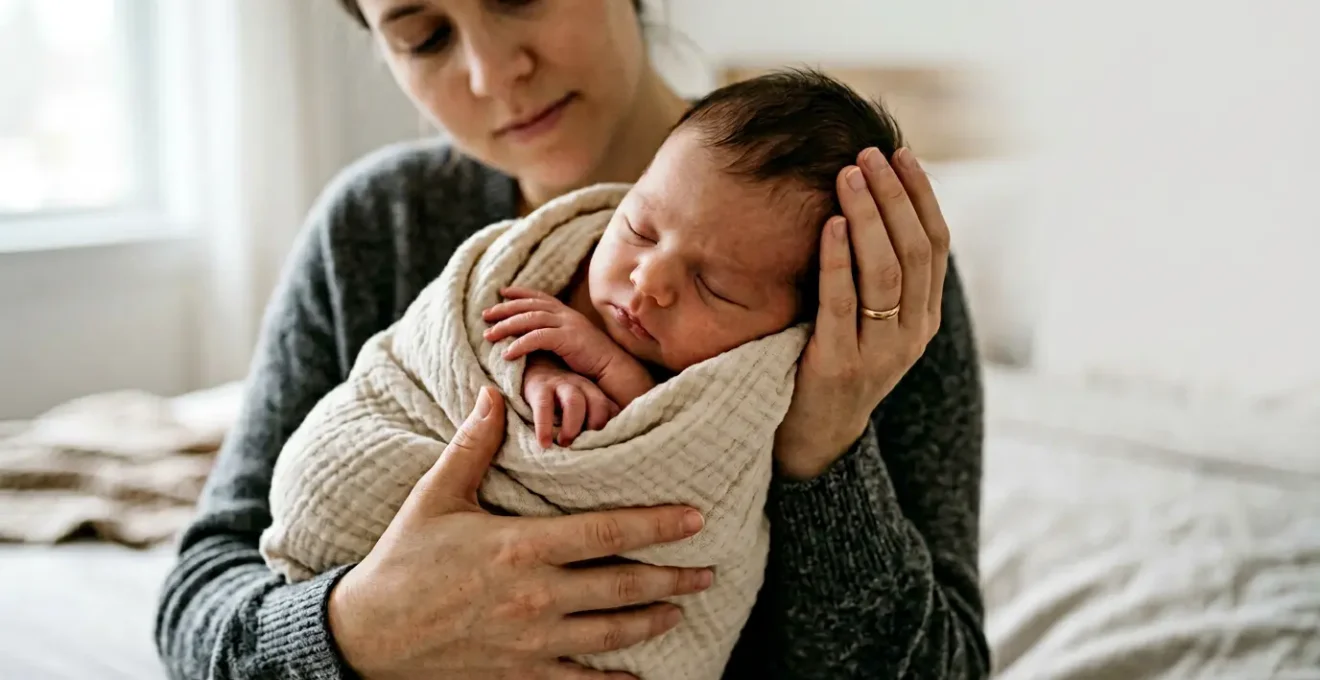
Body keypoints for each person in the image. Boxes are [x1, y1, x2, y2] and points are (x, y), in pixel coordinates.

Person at [153, 1, 989, 678]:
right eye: (425, 36)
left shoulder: (861, 270)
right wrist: (359, 627)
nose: (493, 74)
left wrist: (823, 455)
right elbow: (199, 598)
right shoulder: (378, 226)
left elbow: (940, 666)